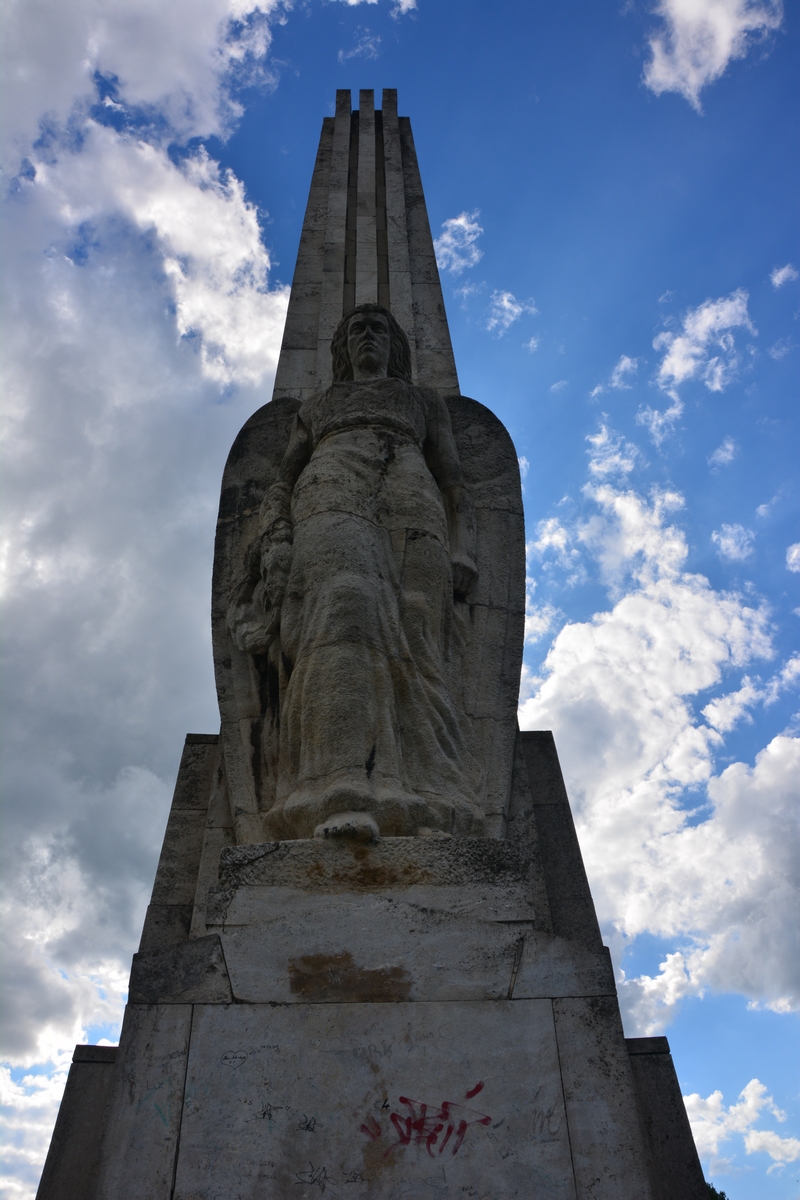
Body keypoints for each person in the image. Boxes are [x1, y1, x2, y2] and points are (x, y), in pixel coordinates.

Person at [228, 303, 483, 839]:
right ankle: (337, 789)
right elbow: (282, 480)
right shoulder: (318, 406)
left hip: (412, 500)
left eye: (379, 329)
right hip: (331, 491)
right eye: (357, 329)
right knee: (343, 609)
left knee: (419, 635)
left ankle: (431, 802)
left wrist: (463, 549)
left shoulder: (423, 401)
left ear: (395, 345)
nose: (369, 336)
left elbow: (453, 479)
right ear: (342, 347)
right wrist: (276, 537)